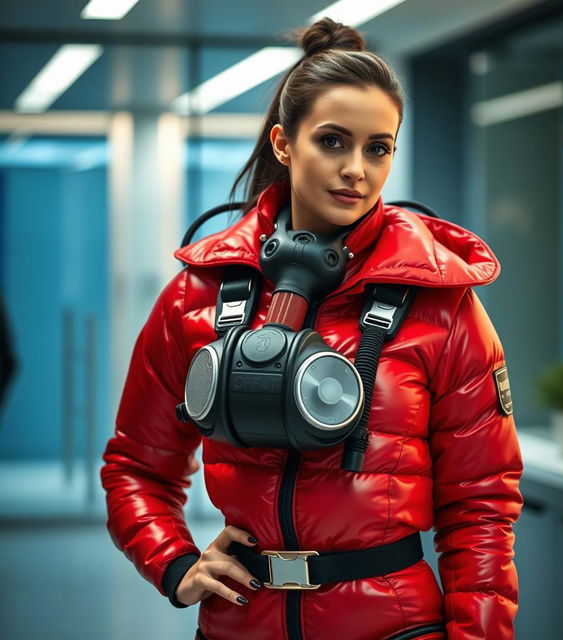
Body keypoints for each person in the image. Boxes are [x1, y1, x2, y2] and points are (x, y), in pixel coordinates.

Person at [101, 17, 524, 640]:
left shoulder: (443, 304)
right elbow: (136, 465)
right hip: (239, 625)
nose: (357, 168)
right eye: (332, 141)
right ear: (283, 143)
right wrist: (175, 563)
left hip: (394, 626)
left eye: (377, 148)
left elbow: (480, 508)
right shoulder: (199, 296)